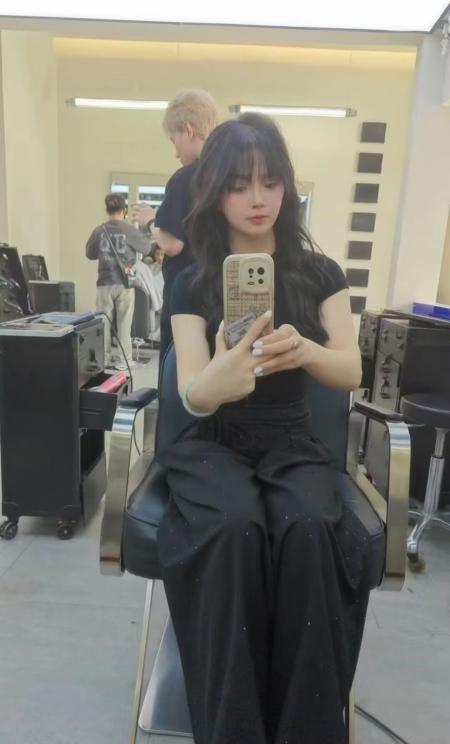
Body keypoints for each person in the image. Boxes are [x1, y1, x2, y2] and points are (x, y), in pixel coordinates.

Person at [156, 114, 371, 744]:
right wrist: (218, 379)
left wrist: (305, 350)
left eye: (271, 182)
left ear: (287, 187)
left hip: (291, 438)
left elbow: (351, 370)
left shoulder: (322, 274)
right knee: (233, 528)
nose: (258, 199)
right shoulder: (191, 282)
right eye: (239, 185)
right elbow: (192, 392)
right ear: (214, 191)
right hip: (210, 443)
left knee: (309, 530)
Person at [131, 88, 218, 361]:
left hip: (186, 293)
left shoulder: (185, 178)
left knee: (178, 367)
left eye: (174, 140)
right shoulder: (223, 175)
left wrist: (151, 220)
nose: (175, 152)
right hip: (218, 293)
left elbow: (172, 244)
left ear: (188, 130)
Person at [86, 193, 151, 370]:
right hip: (125, 283)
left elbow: (89, 254)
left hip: (104, 283)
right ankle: (124, 361)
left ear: (107, 210)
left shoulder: (99, 230)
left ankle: (104, 359)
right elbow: (147, 248)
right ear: (124, 210)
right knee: (124, 324)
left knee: (104, 324)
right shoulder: (130, 230)